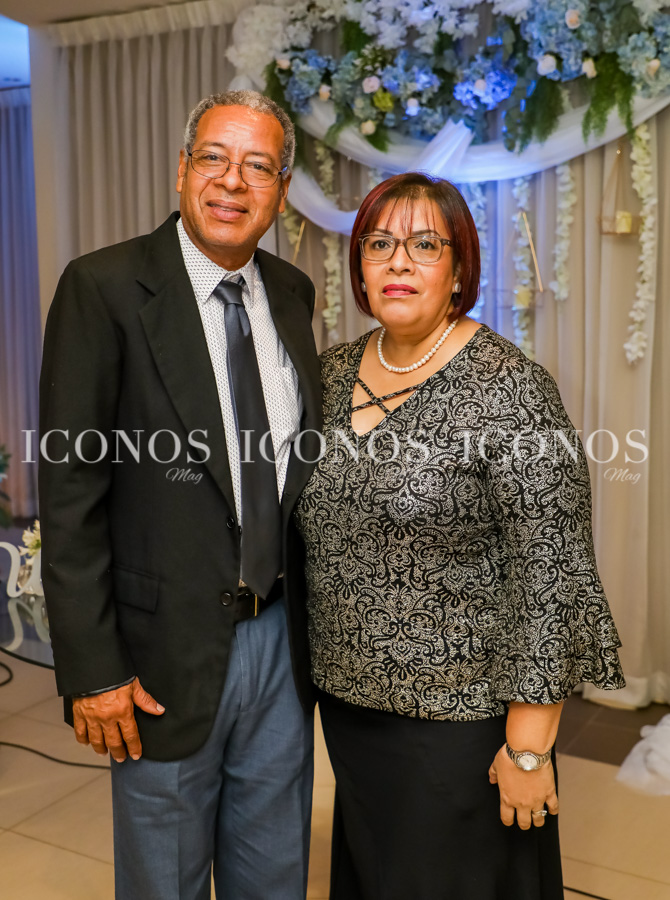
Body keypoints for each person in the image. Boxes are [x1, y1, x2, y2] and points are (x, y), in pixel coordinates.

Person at [293, 172, 626, 900]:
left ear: (459, 268)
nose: (398, 262)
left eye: (424, 244)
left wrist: (529, 750)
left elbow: (551, 571)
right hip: (351, 715)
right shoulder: (331, 372)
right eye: (378, 243)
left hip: (462, 724)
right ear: (359, 267)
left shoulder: (512, 388)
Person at [39, 90, 322, 900]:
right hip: (158, 652)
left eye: (258, 167)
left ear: (281, 190)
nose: (233, 182)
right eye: (214, 158)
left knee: (274, 874)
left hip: (280, 640)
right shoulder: (103, 288)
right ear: (181, 170)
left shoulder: (293, 292)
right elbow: (70, 494)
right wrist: (93, 670)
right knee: (164, 880)